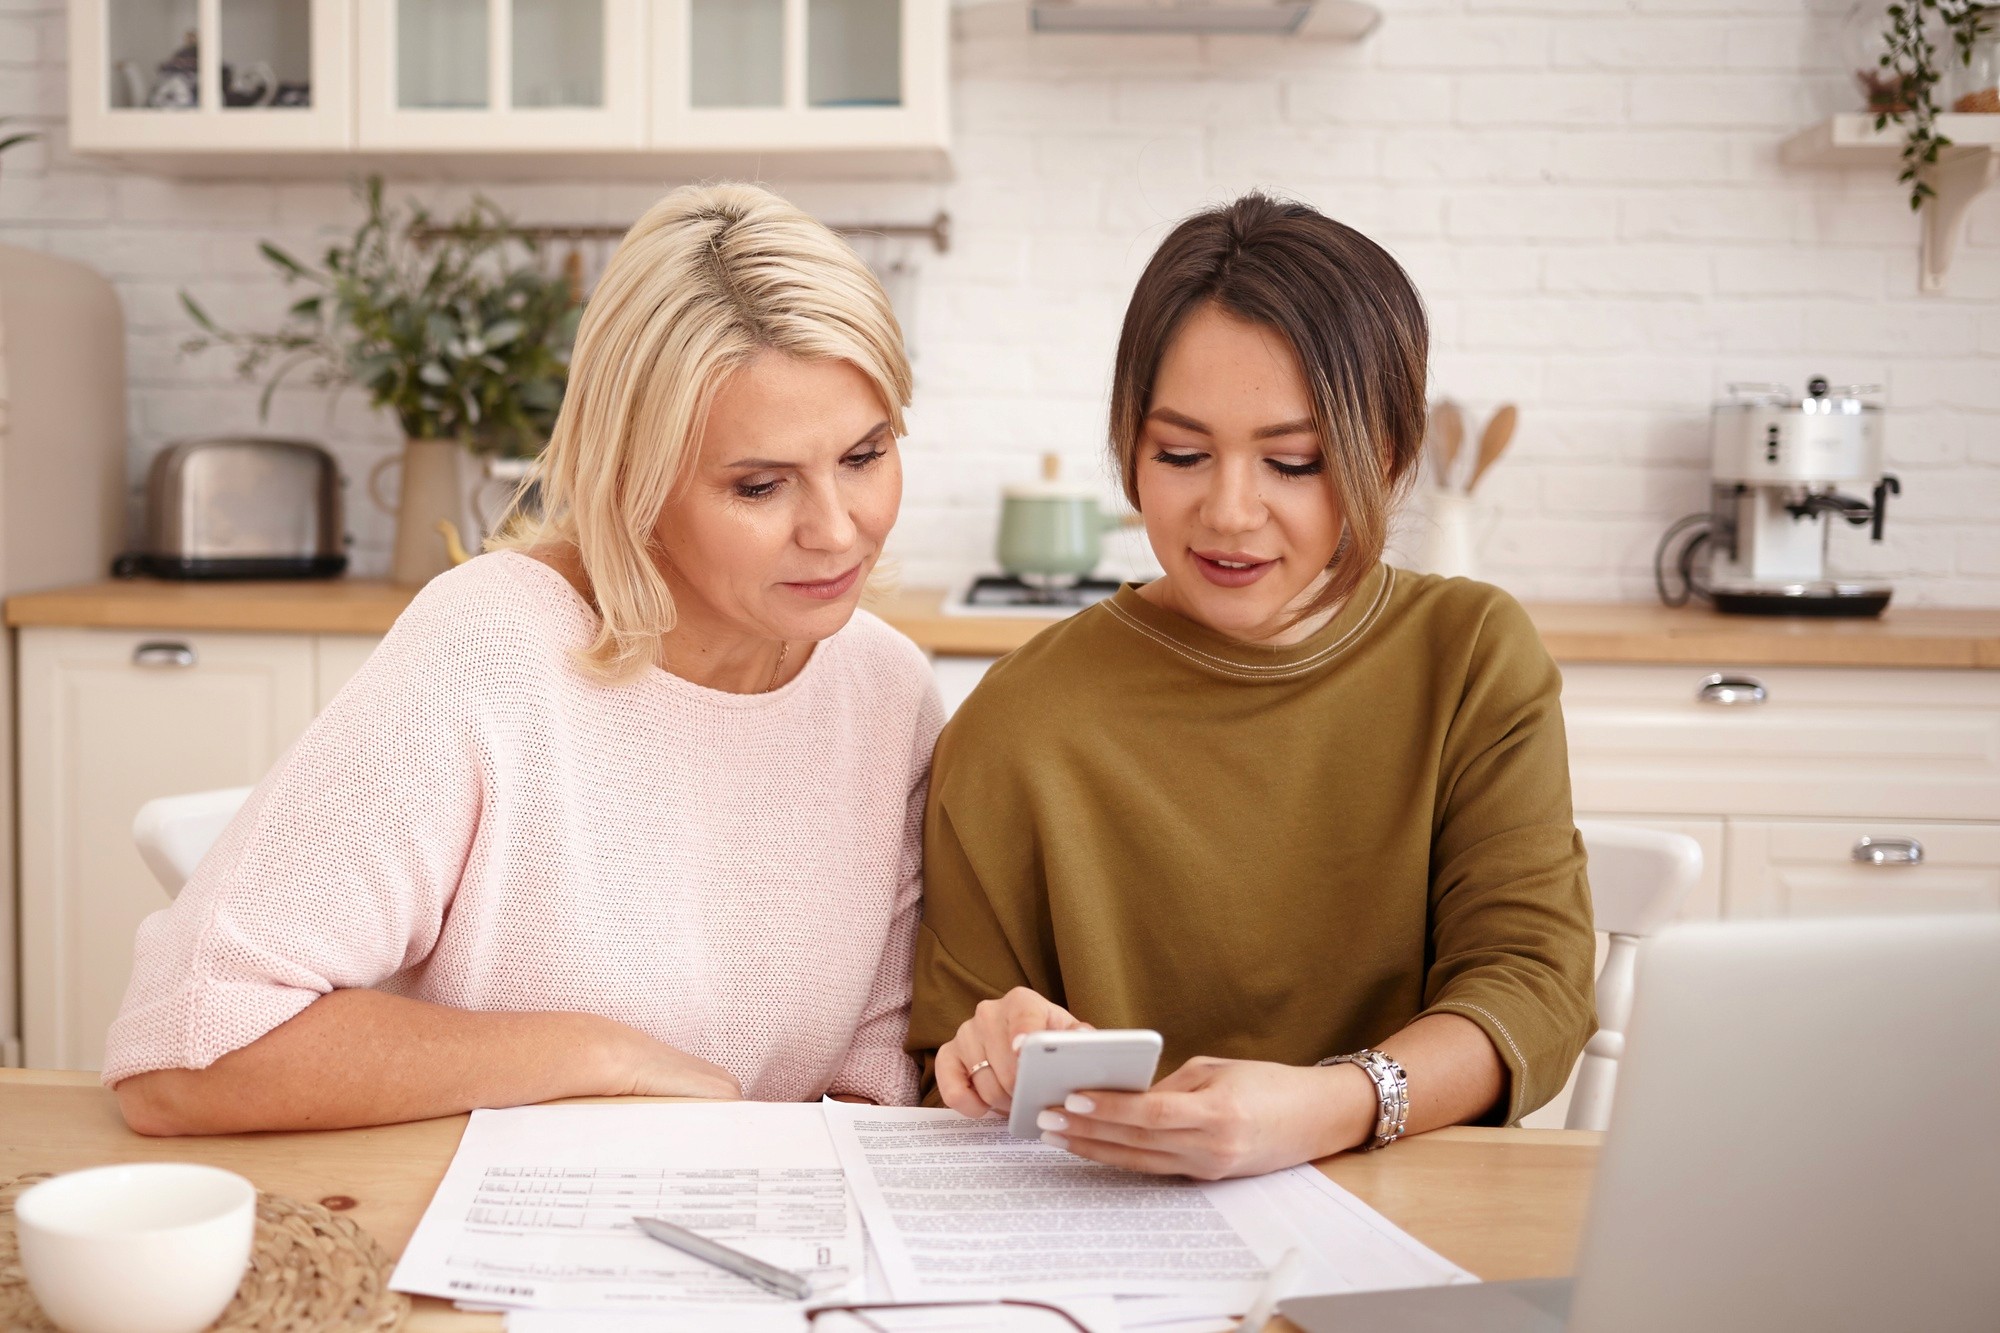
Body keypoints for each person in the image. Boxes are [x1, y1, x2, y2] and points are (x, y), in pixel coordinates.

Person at [108, 183, 943, 1134]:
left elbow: (876, 1083)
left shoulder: (887, 692)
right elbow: (183, 1053)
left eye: (866, 456)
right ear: (631, 476)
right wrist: (600, 1057)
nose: (838, 531)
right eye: (760, 485)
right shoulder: (491, 650)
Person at [910, 193, 1596, 1180]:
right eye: (1179, 454)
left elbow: (1533, 985)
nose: (1228, 511)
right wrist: (983, 1051)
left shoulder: (1468, 656)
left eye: (1292, 461)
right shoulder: (1014, 724)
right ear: (1128, 446)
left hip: (1411, 1217)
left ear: (1388, 454)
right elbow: (942, 1068)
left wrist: (1331, 1103)